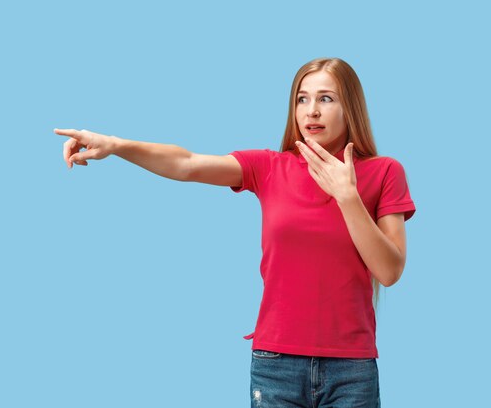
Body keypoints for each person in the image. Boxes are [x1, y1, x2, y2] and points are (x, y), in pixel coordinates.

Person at [55, 57, 416, 408]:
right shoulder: (269, 167)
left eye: (326, 98)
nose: (312, 111)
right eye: (302, 99)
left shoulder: (384, 173)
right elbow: (187, 164)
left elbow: (389, 271)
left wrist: (347, 197)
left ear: (349, 106)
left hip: (351, 369)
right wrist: (117, 146)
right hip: (277, 364)